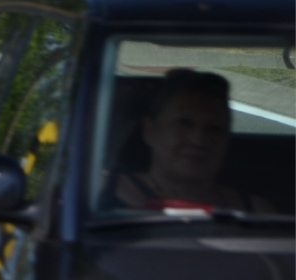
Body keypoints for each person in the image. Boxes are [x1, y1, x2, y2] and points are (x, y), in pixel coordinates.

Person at [110, 69, 266, 212]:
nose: (199, 139)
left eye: (214, 129)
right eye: (184, 123)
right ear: (149, 130)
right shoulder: (101, 195)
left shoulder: (256, 212)